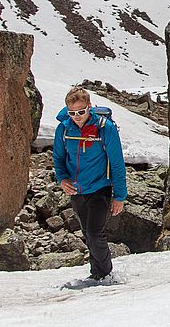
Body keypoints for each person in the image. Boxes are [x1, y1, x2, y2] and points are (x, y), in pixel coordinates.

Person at [52, 86, 127, 281]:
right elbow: (58, 158)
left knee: (95, 233)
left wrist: (119, 196)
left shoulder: (105, 128)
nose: (77, 116)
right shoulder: (64, 129)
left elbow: (117, 163)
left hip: (100, 187)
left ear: (89, 106)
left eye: (81, 111)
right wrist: (62, 179)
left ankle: (104, 274)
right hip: (76, 189)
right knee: (87, 232)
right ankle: (97, 273)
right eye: (72, 112)